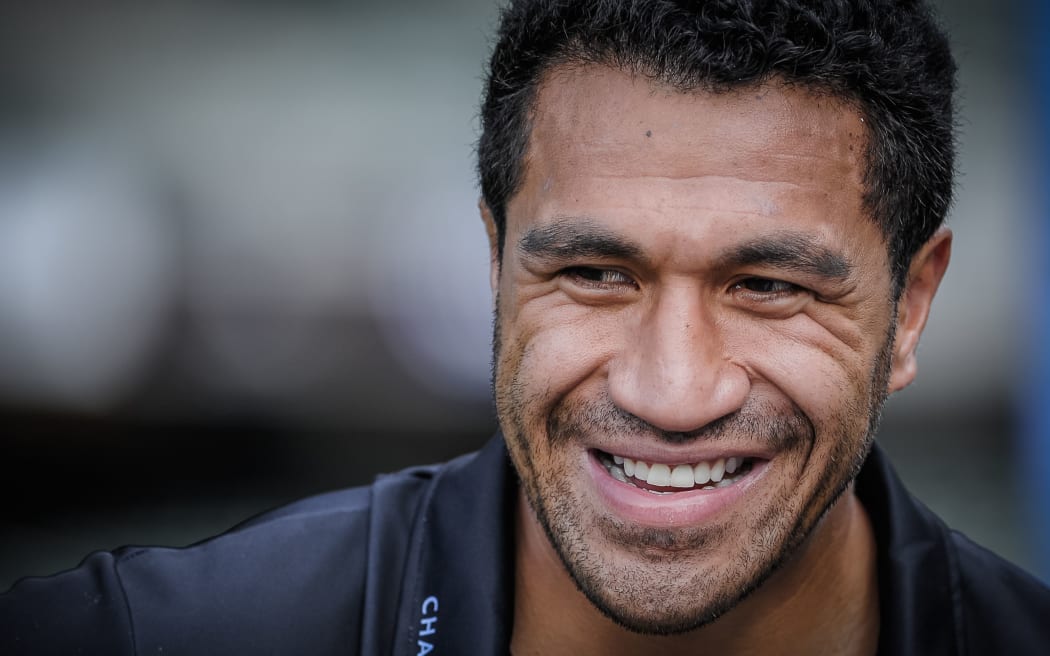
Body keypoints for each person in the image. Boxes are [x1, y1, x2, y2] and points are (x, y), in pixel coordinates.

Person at [3, 0, 1049, 654]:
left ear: (910, 308)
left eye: (768, 286)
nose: (670, 390)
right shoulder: (158, 635)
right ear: (494, 268)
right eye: (594, 274)